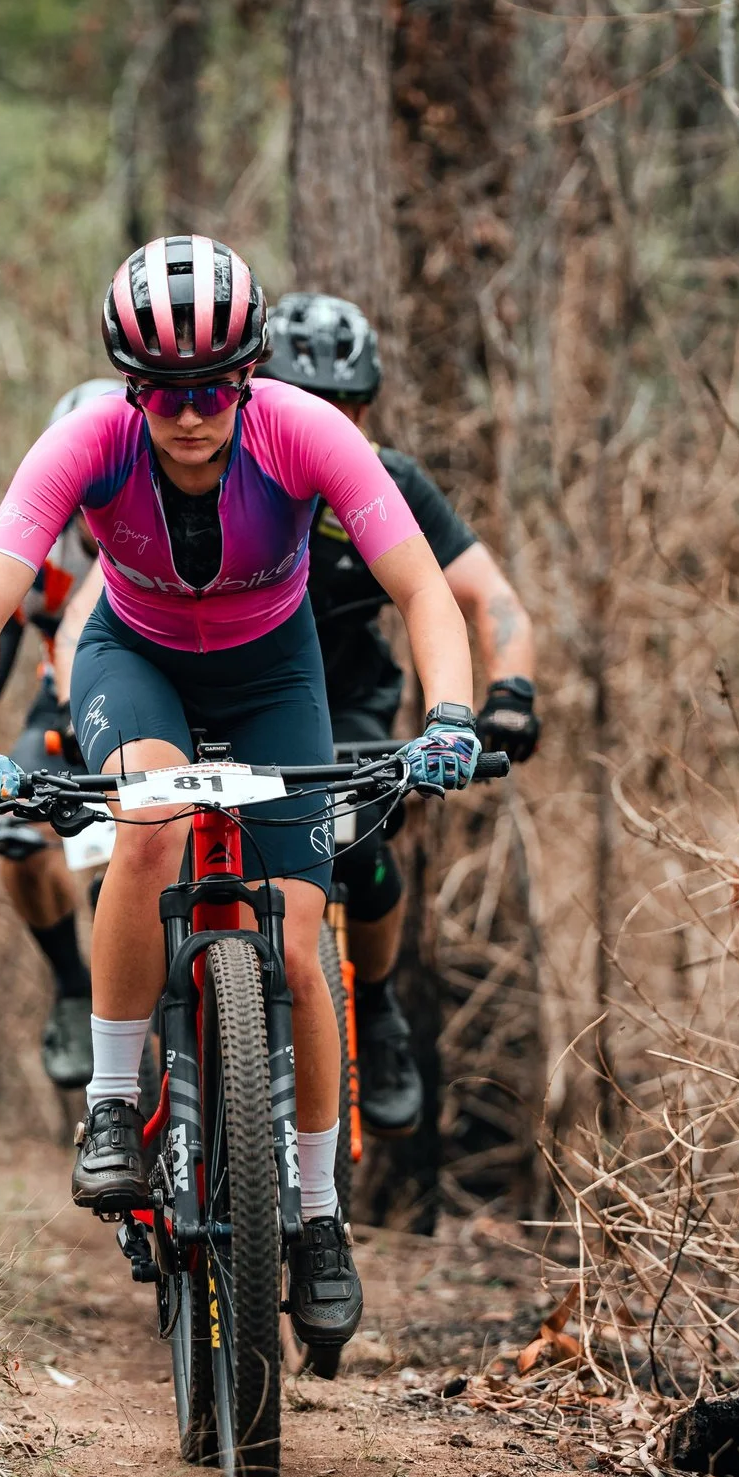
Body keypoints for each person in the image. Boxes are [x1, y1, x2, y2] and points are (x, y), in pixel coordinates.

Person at [0, 235, 484, 1354]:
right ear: (131, 389)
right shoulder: (84, 444)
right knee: (150, 828)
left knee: (293, 941)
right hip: (133, 661)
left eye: (213, 386)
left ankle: (320, 1218)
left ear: (248, 373)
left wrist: (452, 716)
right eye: (163, 391)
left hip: (277, 670)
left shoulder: (307, 432)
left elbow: (423, 586)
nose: (190, 413)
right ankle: (111, 1103)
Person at [260, 290, 541, 1135]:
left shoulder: (389, 485)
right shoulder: (229, 476)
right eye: (304, 402)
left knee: (360, 846)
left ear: (367, 406)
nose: (328, 422)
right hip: (225, 692)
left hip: (346, 706)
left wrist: (511, 691)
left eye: (344, 405)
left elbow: (492, 597)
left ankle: (375, 1014)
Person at [0, 378, 126, 1091]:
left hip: (164, 699)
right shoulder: (43, 551)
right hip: (62, 708)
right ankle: (74, 987)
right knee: (17, 830)